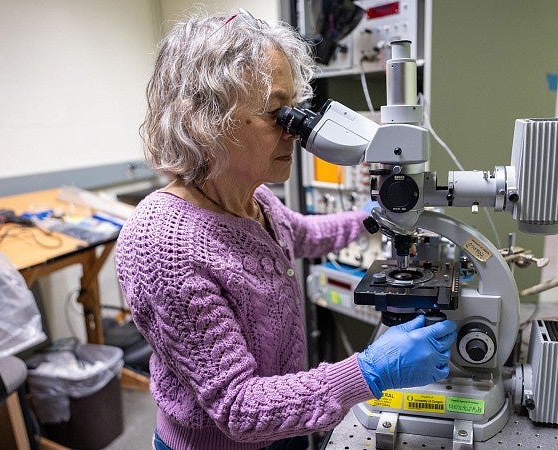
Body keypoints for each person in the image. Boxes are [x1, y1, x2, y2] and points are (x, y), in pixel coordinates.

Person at [115, 9, 458, 450]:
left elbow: (301, 233)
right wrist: (371, 372)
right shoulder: (162, 245)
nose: (294, 131)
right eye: (278, 112)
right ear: (202, 118)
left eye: (294, 111)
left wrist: (379, 216)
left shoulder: (252, 198)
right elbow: (238, 407)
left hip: (284, 426)